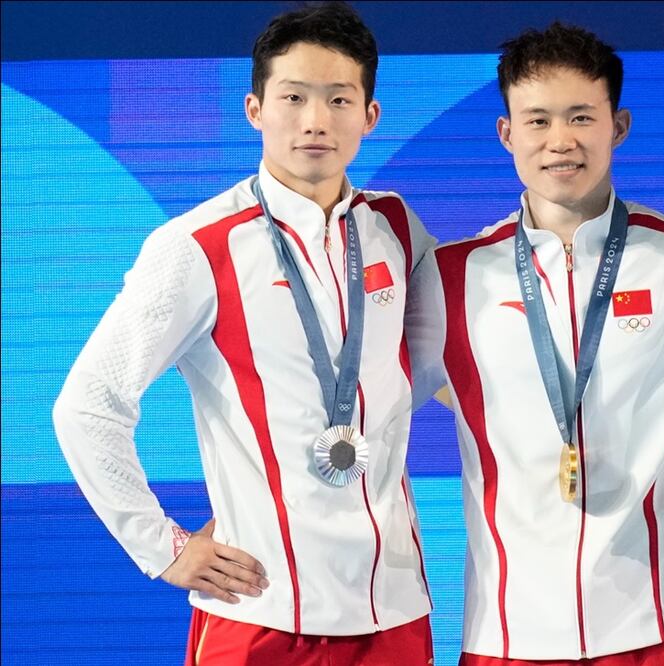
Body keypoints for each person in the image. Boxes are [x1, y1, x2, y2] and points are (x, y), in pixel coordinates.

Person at [52, 2, 434, 663]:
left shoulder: (395, 227)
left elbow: (438, 367)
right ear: (255, 109)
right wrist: (162, 547)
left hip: (394, 612)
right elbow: (89, 405)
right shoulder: (196, 247)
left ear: (370, 117)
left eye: (339, 99)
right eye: (293, 97)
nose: (315, 120)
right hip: (260, 614)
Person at [406, 22, 664, 666]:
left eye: (580, 117)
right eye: (537, 121)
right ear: (507, 133)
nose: (559, 141)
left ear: (617, 126)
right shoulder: (454, 275)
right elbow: (369, 409)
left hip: (656, 630)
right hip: (506, 637)